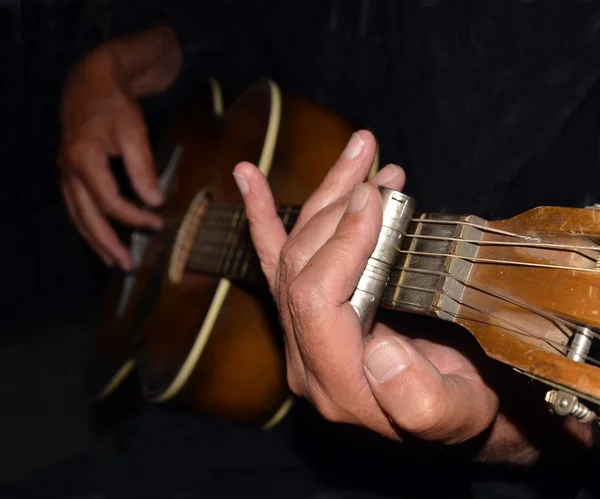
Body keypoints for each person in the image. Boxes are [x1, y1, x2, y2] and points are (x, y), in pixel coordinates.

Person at [56, 0, 600, 495]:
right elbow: (252, 24)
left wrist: (515, 433)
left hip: (431, 444)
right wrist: (112, 68)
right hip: (230, 358)